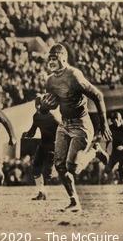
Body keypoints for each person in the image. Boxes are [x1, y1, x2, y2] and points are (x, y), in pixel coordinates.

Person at [42, 43, 112, 212]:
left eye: (54, 57)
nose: (51, 61)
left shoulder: (74, 75)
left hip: (81, 124)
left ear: (63, 58)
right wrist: (44, 108)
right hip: (64, 124)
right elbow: (50, 105)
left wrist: (104, 123)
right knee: (59, 166)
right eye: (49, 58)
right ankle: (74, 202)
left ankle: (95, 151)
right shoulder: (50, 80)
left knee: (73, 167)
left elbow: (98, 95)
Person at [22, 95, 60, 200]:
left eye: (40, 104)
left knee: (48, 174)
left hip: (52, 146)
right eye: (36, 105)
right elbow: (32, 131)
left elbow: (61, 131)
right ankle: (41, 192)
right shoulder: (36, 116)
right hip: (43, 145)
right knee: (35, 169)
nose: (38, 107)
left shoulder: (52, 118)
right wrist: (26, 134)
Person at [104, 112, 123, 194]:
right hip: (115, 153)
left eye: (116, 119)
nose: (115, 121)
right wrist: (106, 148)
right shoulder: (111, 128)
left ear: (120, 119)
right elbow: (108, 139)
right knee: (107, 169)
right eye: (113, 119)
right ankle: (110, 183)